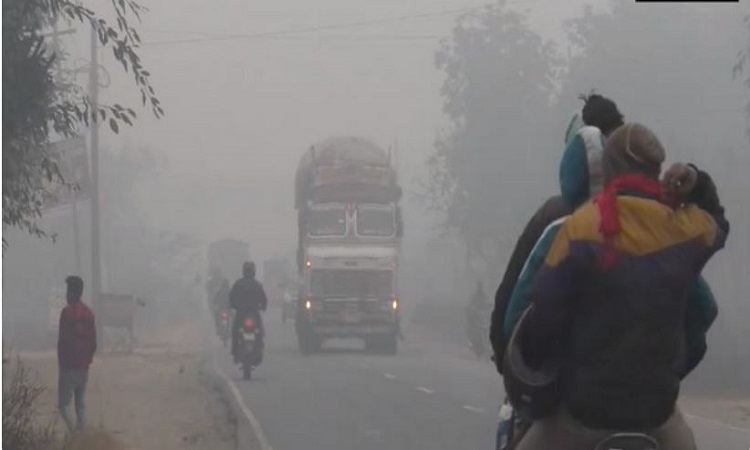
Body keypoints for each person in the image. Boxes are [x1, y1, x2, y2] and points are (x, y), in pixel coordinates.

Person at [513, 123, 729, 450]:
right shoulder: (683, 229)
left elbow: (545, 311)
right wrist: (696, 182)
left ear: (609, 168)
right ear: (656, 169)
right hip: (657, 417)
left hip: (583, 416)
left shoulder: (582, 226)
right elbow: (719, 224)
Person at [490, 93, 626, 373]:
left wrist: (509, 356)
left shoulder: (554, 218)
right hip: (640, 388)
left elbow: (514, 294)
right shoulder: (649, 218)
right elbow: (702, 308)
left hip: (562, 381)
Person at [57, 276, 97, 432]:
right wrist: (87, 360)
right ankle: (83, 433)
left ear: (72, 292)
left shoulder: (66, 313)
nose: (66, 295)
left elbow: (63, 341)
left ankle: (74, 434)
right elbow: (94, 342)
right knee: (80, 403)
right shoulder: (89, 313)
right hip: (83, 366)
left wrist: (62, 365)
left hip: (68, 366)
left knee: (63, 406)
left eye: (68, 291)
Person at [230, 261, 268, 363]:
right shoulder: (257, 285)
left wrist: (233, 306)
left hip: (241, 314)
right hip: (253, 314)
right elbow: (264, 300)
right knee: (260, 333)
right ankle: (258, 351)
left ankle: (235, 352)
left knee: (235, 332)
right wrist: (262, 307)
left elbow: (231, 298)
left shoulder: (238, 284)